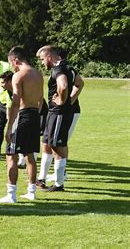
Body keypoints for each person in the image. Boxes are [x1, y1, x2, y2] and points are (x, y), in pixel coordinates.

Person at [0, 47, 43, 203]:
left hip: (21, 116)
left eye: (10, 63)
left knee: (11, 156)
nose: (11, 67)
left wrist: (9, 128)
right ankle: (31, 191)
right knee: (30, 156)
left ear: (15, 60)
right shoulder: (38, 74)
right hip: (35, 115)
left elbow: (15, 103)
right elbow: (40, 99)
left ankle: (11, 194)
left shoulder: (18, 76)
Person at [37, 47, 84, 185]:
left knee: (57, 146)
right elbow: (80, 83)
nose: (42, 63)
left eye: (42, 59)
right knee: (46, 143)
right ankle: (41, 179)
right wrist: (70, 99)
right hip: (54, 113)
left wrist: (62, 101)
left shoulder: (58, 69)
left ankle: (59, 183)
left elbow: (63, 86)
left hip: (59, 113)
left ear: (49, 57)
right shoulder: (68, 67)